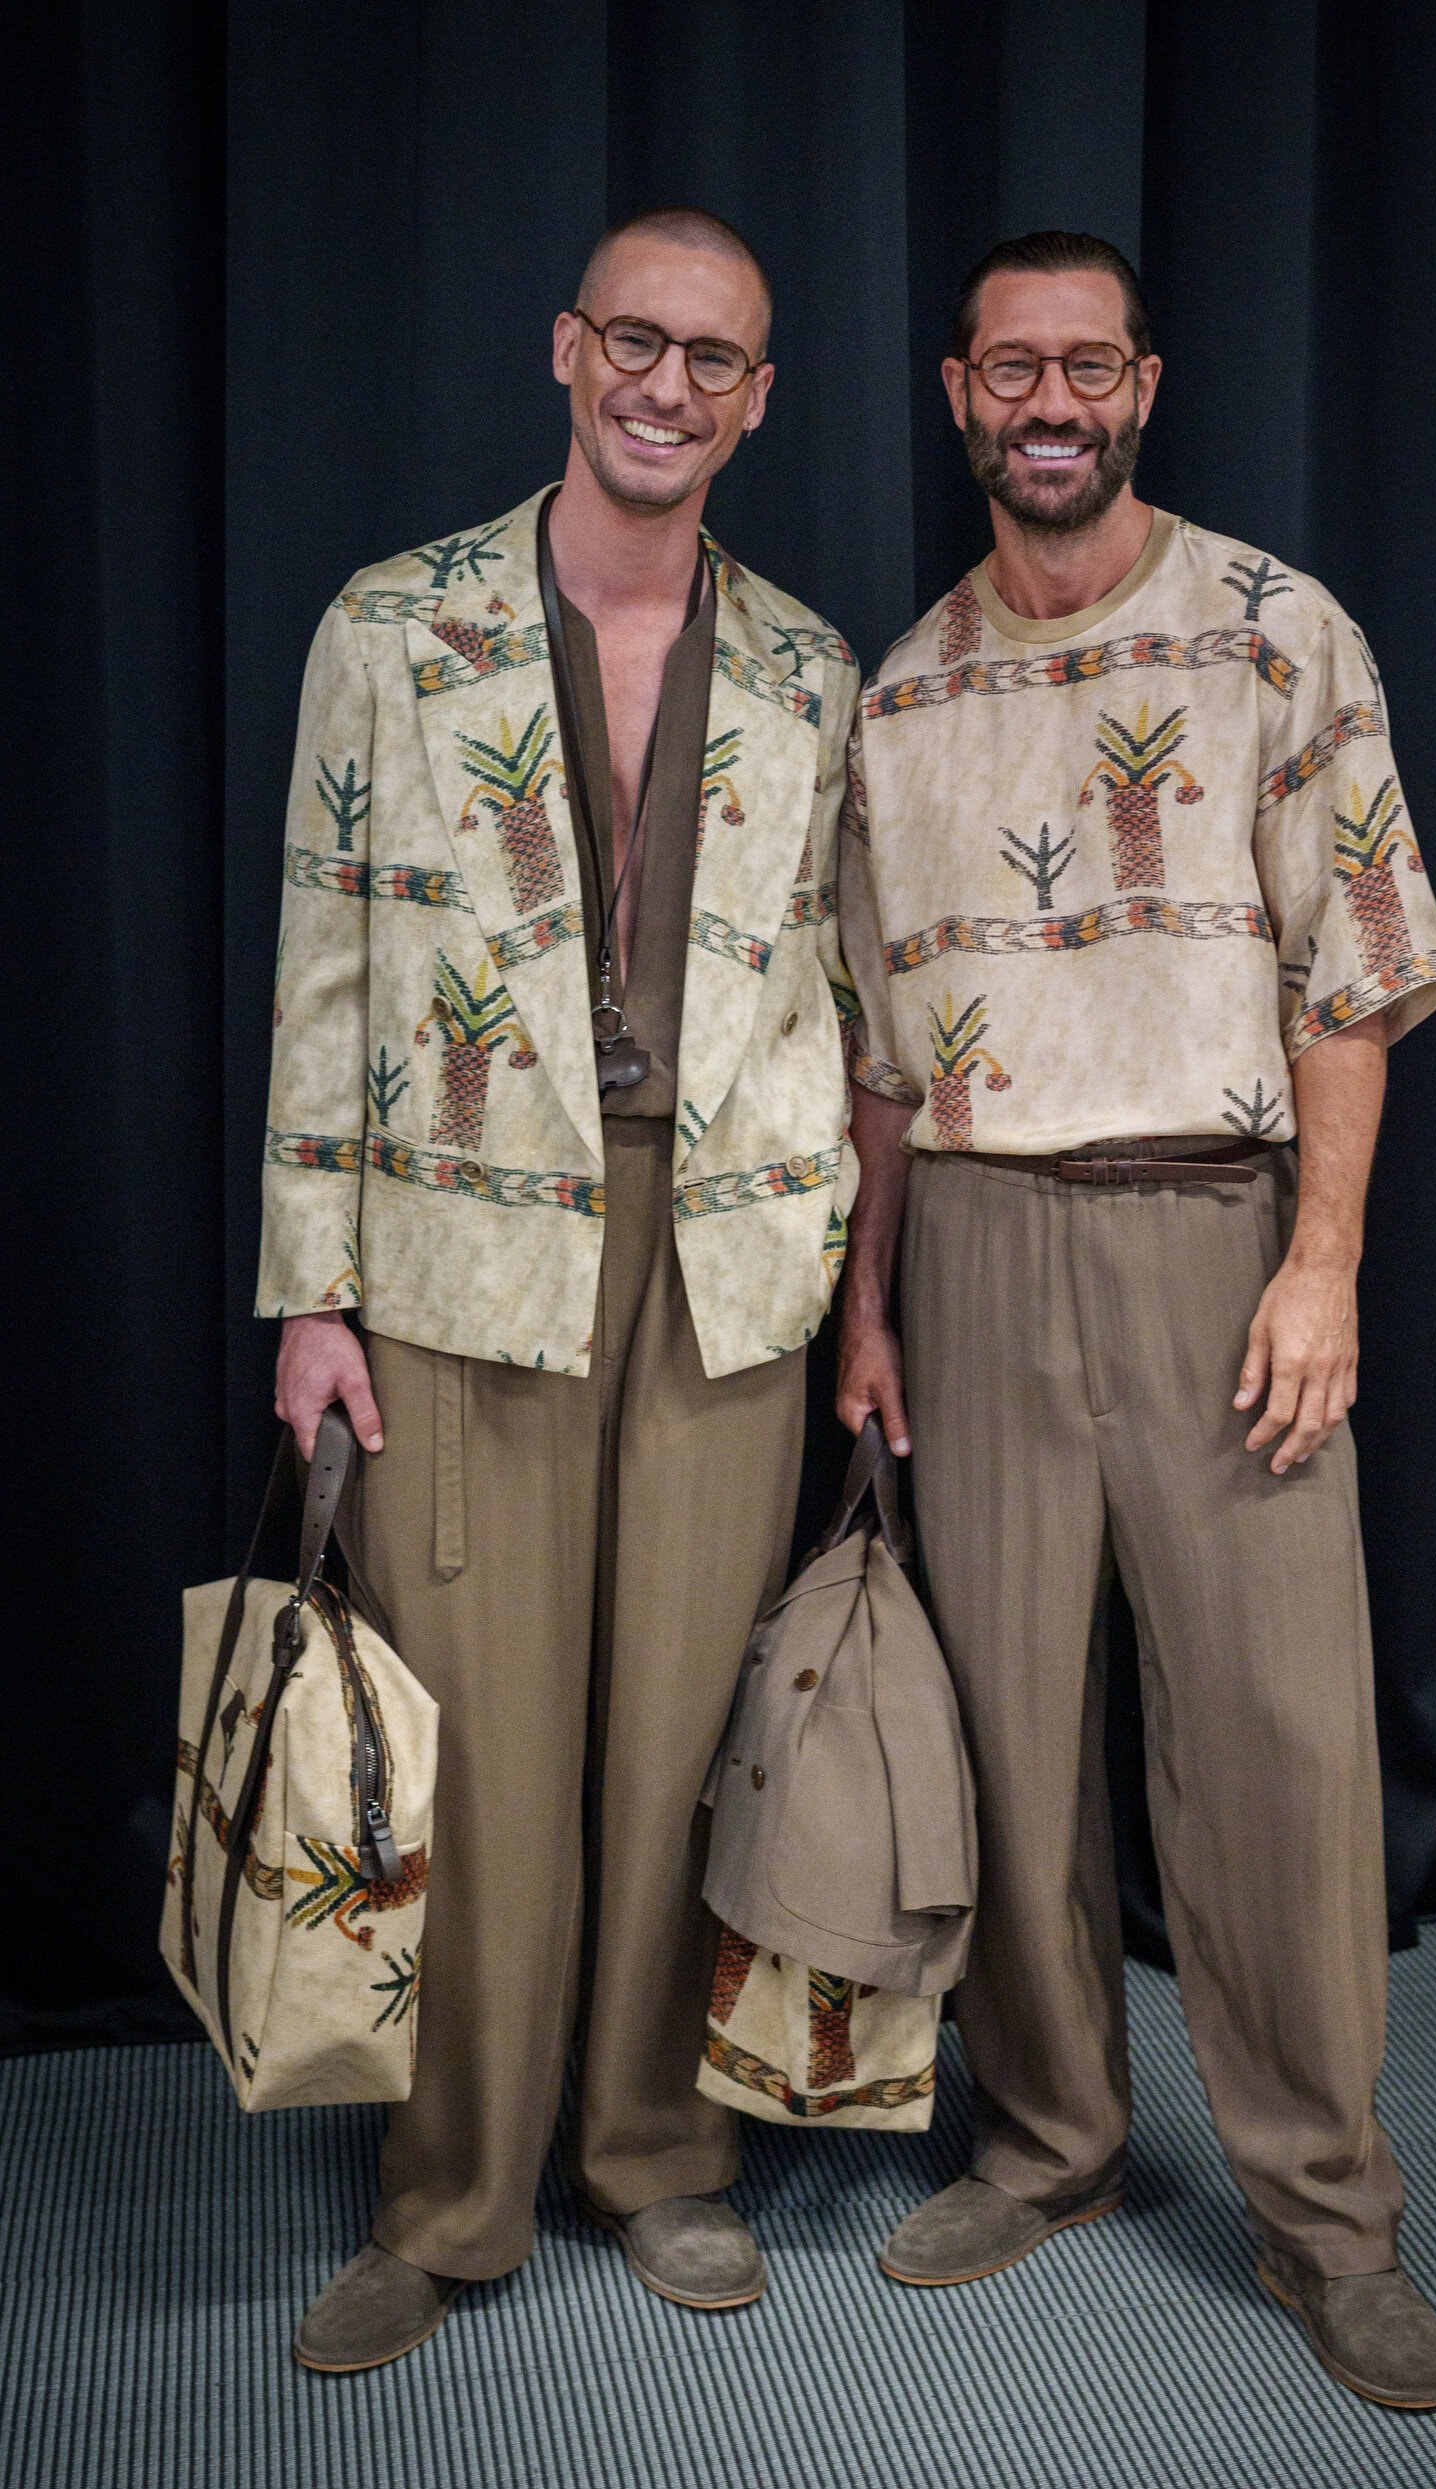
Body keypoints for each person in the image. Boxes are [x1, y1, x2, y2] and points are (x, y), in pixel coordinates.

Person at [836, 230, 1436, 2411]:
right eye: (1012, 368)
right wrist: (869, 1305)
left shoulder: (1280, 629)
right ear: (957, 393)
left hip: (1221, 1235)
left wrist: (1325, 1257)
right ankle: (1053, 2140)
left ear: (1144, 386)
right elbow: (880, 1056)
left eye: (1086, 366)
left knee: (1279, 1747)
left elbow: (1350, 976)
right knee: (1012, 1732)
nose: (1051, 403)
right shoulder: (903, 693)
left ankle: (1328, 2214)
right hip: (977, 1246)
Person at [261, 207, 859, 2370]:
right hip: (455, 1248)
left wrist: (842, 1270)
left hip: (724, 1261)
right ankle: (449, 2195)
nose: (666, 384)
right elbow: (326, 958)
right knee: (486, 1753)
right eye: (636, 339)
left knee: (684, 1731)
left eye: (714, 358)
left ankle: (655, 2152)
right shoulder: (390, 624)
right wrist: (309, 1290)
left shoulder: (807, 664)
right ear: (566, 348)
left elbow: (834, 988)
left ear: (759, 399)